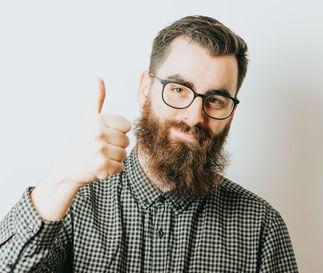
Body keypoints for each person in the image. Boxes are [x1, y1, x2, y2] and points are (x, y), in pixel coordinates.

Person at [0, 15, 298, 272]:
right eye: (179, 89)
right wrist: (60, 178)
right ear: (145, 90)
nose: (195, 117)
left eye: (216, 100)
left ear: (230, 114)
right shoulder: (73, 202)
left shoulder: (261, 228)